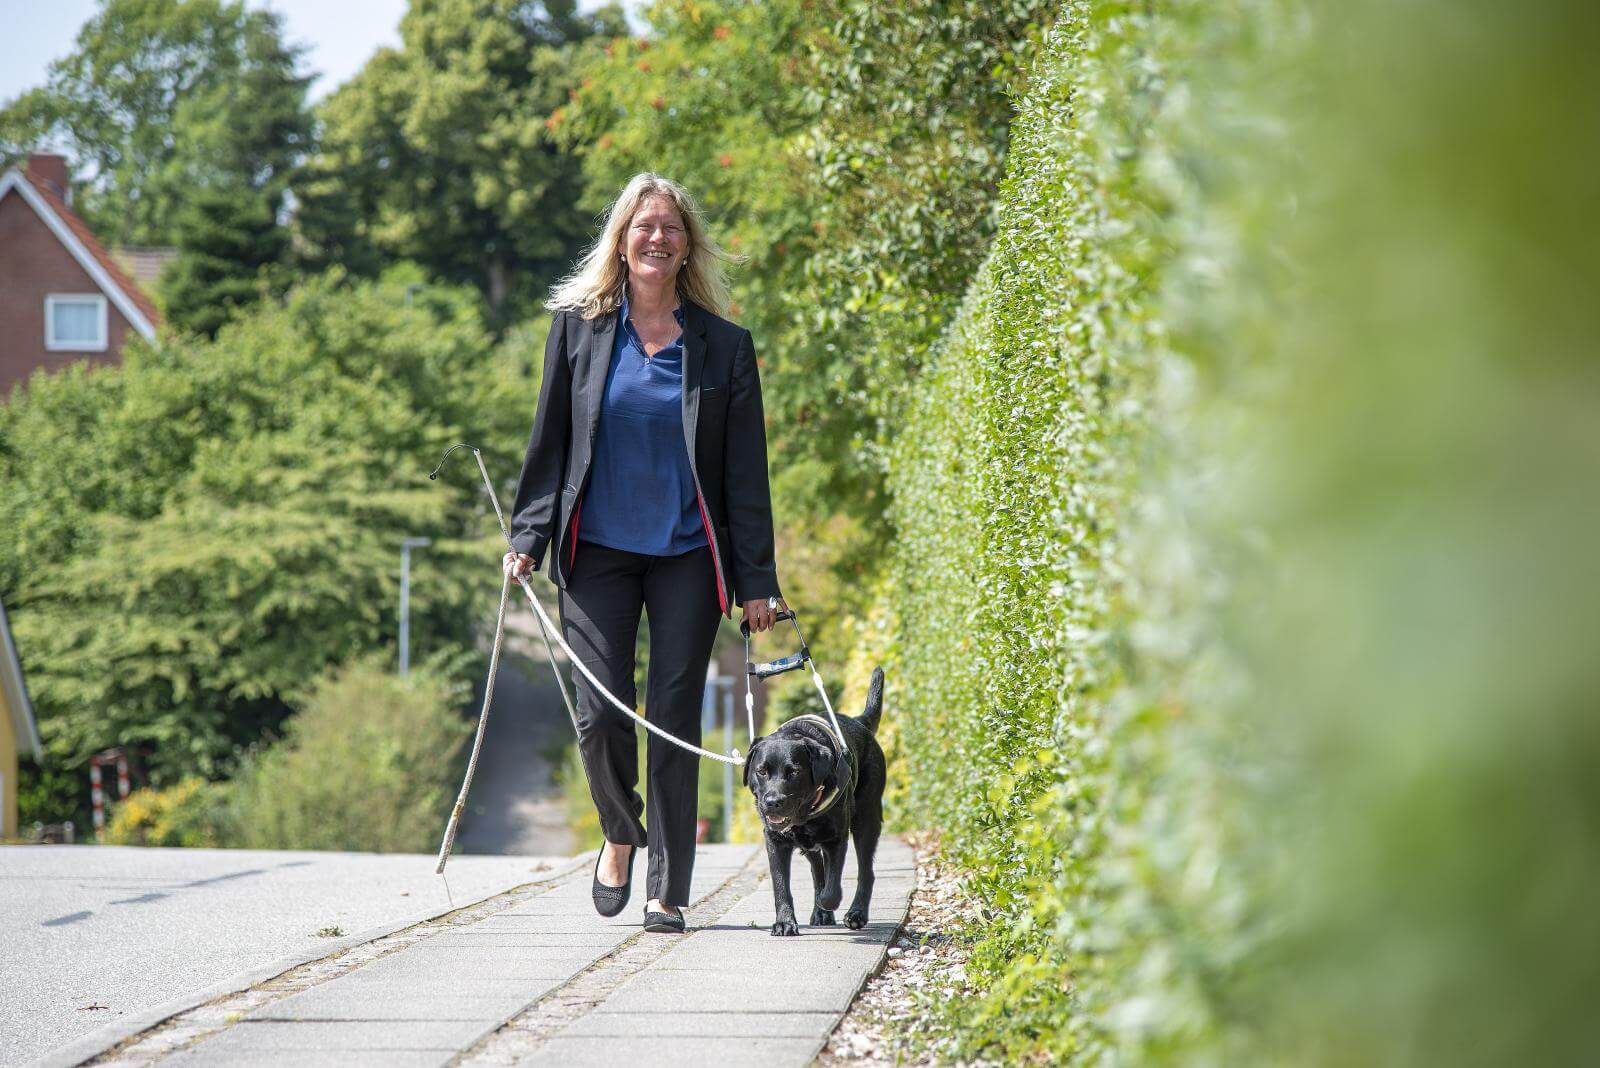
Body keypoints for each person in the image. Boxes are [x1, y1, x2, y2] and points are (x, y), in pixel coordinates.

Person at [504, 173, 785, 934]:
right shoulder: (578, 329)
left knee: (671, 716)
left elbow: (744, 475)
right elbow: (550, 442)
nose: (656, 238)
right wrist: (527, 536)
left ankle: (668, 889)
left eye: (670, 228)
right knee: (599, 715)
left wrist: (757, 580)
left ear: (687, 244)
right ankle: (621, 831)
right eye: (642, 227)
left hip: (689, 556)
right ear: (621, 241)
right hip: (595, 550)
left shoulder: (723, 347)